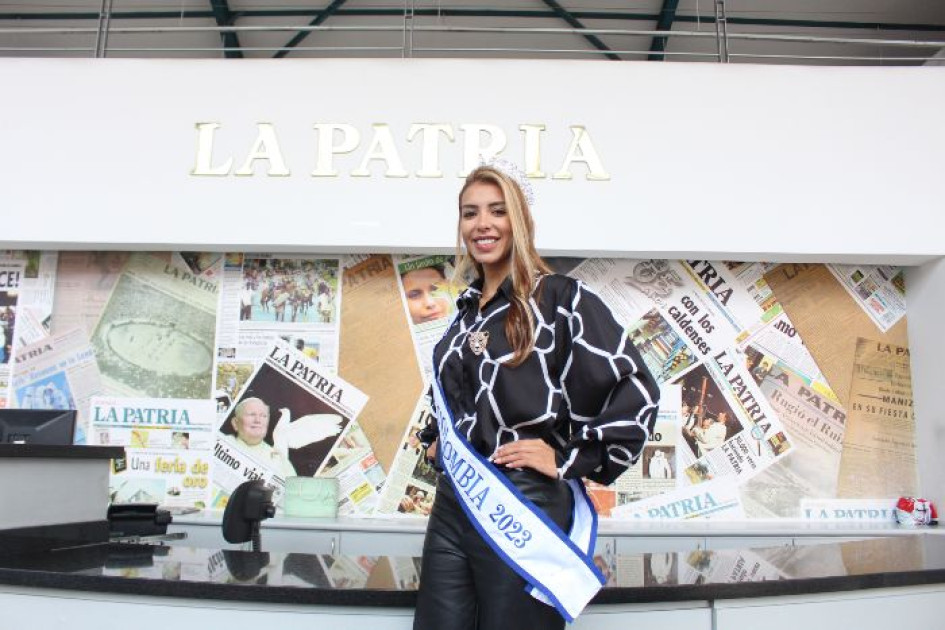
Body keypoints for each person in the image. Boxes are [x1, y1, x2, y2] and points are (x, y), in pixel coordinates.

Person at [413, 165, 660, 630]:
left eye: (497, 211)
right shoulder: (465, 314)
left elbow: (636, 390)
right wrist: (435, 440)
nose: (481, 224)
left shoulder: (560, 299)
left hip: (522, 503)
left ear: (520, 221)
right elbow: (456, 401)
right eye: (470, 214)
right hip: (453, 504)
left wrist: (569, 458)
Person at [222, 397, 296, 478]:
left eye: (263, 416)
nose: (258, 420)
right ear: (235, 423)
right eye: (251, 414)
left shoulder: (281, 462)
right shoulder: (221, 443)